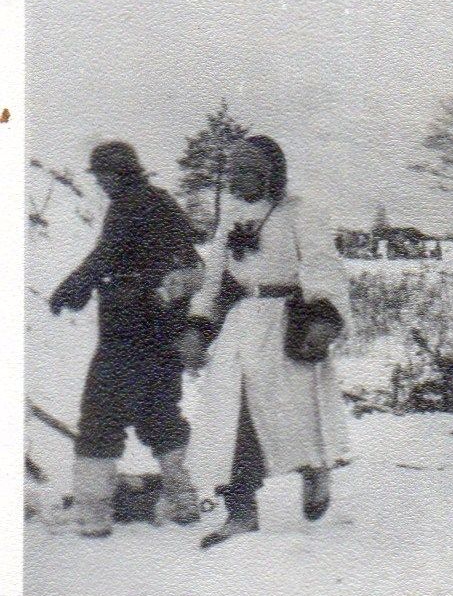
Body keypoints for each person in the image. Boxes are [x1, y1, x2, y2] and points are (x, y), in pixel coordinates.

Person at [179, 135, 351, 549]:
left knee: (292, 415)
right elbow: (214, 278)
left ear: (271, 174)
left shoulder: (299, 212)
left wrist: (325, 319)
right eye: (234, 170)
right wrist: (199, 325)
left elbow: (323, 268)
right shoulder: (231, 216)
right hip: (242, 324)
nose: (238, 178)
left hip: (287, 322)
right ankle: (240, 511)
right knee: (231, 416)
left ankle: (314, 470)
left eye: (248, 170)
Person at [49, 141, 203, 537]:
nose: (100, 183)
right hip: (165, 328)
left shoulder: (128, 204)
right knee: (159, 410)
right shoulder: (164, 203)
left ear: (119, 174)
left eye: (103, 175)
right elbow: (190, 260)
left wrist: (73, 287)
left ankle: (92, 511)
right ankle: (183, 496)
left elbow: (107, 253)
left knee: (101, 413)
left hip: (128, 327)